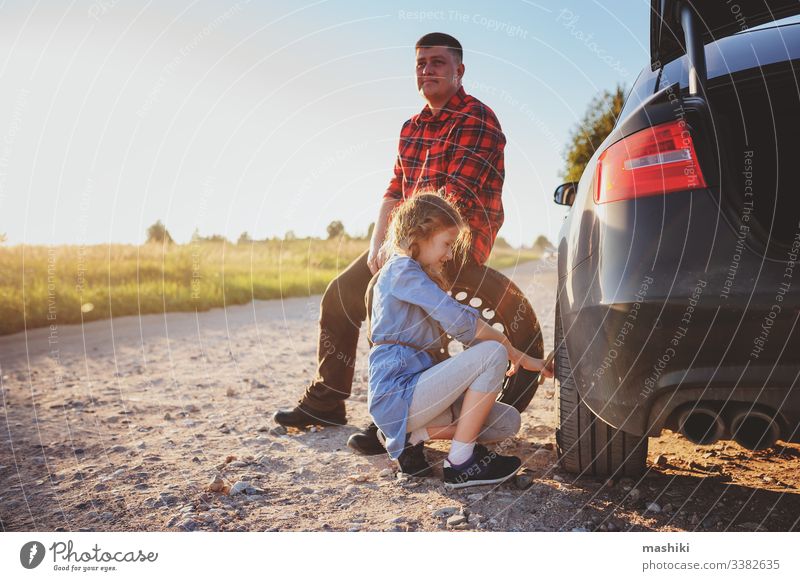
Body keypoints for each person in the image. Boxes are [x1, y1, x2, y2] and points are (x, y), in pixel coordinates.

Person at [273, 32, 508, 456]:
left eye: (437, 62)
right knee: (343, 291)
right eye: (420, 63)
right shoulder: (411, 127)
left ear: (460, 70)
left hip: (452, 242)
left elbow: (448, 202)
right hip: (406, 242)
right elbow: (395, 189)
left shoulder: (477, 120)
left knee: (395, 297)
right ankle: (328, 400)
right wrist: (376, 245)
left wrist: (398, 255)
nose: (427, 70)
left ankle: (394, 415)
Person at [367, 192, 553, 486]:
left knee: (507, 421)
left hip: (419, 397)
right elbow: (462, 322)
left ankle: (412, 436)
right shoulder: (400, 269)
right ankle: (461, 462)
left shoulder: (418, 276)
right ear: (419, 233)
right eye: (447, 244)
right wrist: (519, 357)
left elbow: (465, 329)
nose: (450, 255)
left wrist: (517, 357)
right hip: (398, 392)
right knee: (493, 352)